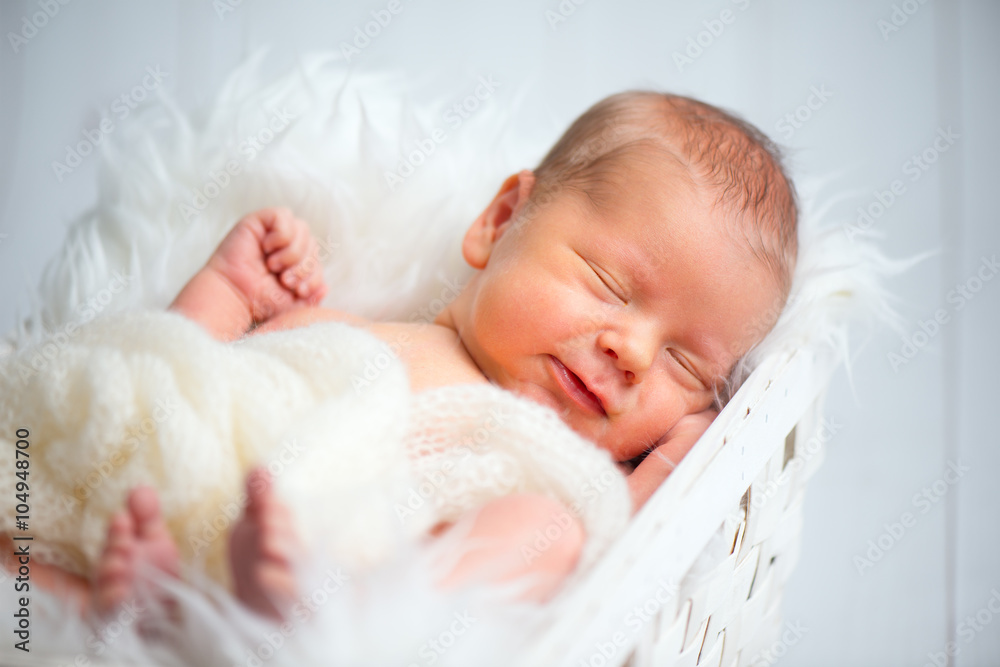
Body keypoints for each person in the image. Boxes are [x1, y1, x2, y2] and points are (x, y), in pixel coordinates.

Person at [7, 90, 797, 623]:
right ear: (501, 219)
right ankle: (111, 605)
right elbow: (177, 380)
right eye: (609, 284)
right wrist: (225, 288)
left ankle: (324, 615)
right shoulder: (335, 324)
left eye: (686, 366)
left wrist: (684, 456)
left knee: (552, 528)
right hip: (168, 514)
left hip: (334, 569)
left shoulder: (570, 471)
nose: (631, 353)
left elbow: (630, 530)